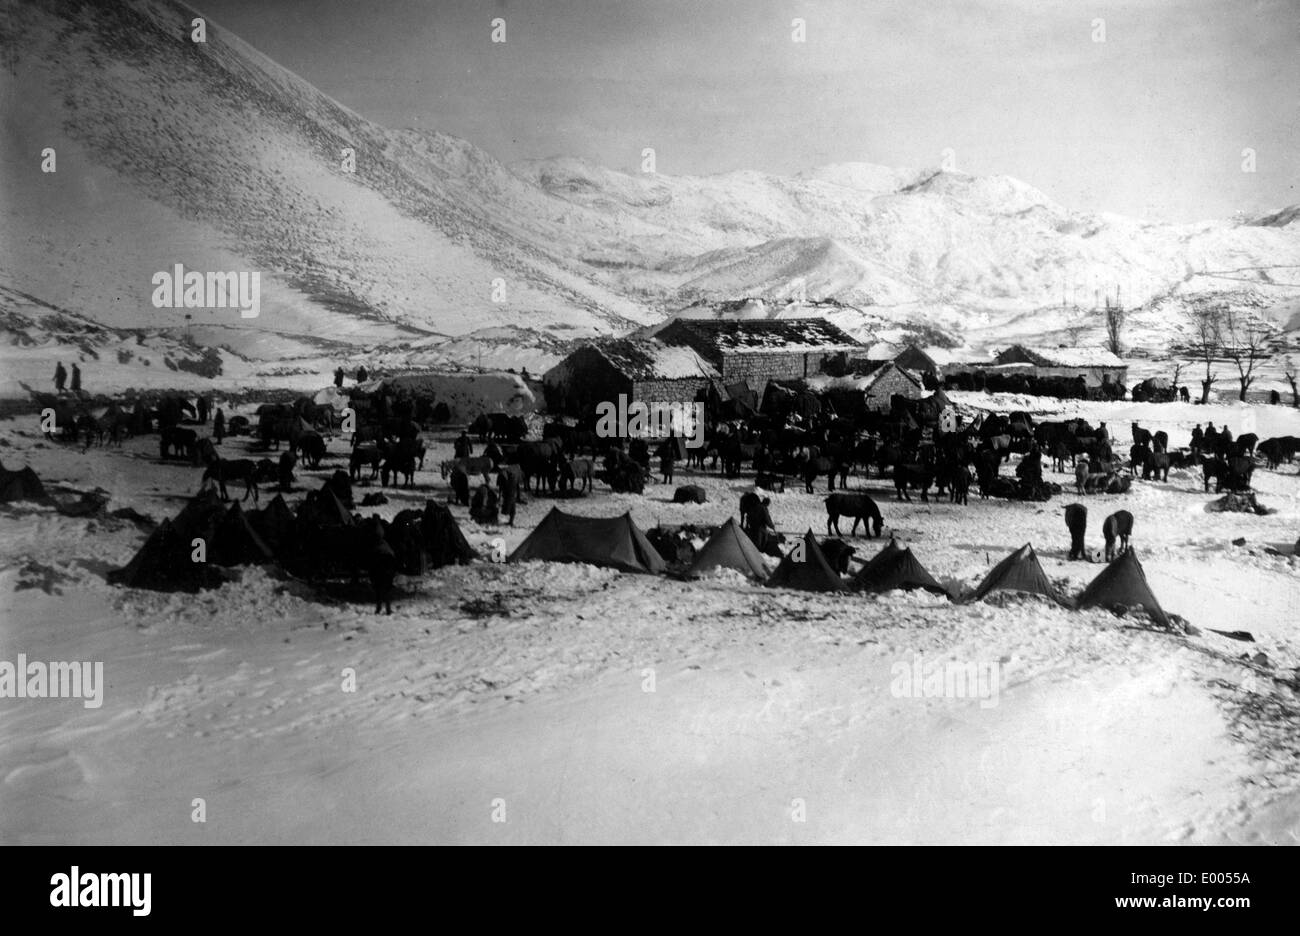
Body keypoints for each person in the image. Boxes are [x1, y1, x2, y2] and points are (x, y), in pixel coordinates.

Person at [369, 539, 397, 615]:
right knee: (386, 593)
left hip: (379, 575)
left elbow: (372, 568)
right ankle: (387, 610)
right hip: (386, 576)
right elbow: (392, 568)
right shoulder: (389, 554)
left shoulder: (376, 553)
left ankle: (379, 609)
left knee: (379, 593)